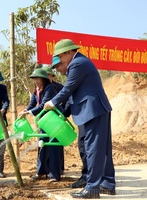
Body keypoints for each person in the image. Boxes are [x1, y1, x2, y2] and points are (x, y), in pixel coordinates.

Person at [44, 39, 115, 199]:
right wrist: (65, 112)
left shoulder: (77, 64)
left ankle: (92, 188)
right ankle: (108, 184)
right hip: (96, 109)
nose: (60, 60)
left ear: (69, 52)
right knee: (102, 150)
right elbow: (74, 93)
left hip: (93, 110)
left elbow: (68, 89)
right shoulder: (80, 63)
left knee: (94, 149)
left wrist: (52, 102)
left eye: (61, 57)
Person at [18, 68, 63, 182]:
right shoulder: (36, 90)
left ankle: (54, 175)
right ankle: (41, 172)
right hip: (43, 121)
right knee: (42, 145)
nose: (36, 81)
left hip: (53, 121)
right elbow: (32, 104)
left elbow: (44, 105)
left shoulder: (50, 88)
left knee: (53, 147)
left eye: (37, 78)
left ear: (43, 79)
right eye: (34, 79)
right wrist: (25, 111)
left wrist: (30, 112)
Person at [49, 57, 87, 188]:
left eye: (58, 67)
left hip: (87, 114)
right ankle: (88, 177)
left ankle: (90, 179)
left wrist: (52, 103)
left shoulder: (75, 70)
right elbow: (71, 98)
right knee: (83, 146)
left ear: (64, 62)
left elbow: (67, 93)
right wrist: (65, 115)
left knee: (86, 147)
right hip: (81, 115)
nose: (58, 71)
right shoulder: (71, 74)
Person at [42, 64, 65, 175]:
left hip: (55, 119)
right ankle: (44, 170)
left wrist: (63, 113)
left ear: (52, 76)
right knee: (43, 144)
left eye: (48, 76)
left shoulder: (59, 87)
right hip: (44, 120)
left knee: (56, 145)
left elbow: (67, 100)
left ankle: (57, 170)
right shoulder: (40, 88)